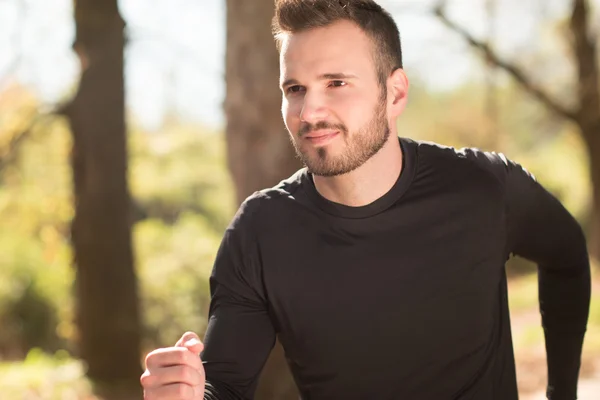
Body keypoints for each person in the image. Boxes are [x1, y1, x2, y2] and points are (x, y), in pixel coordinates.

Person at [140, 1, 591, 399]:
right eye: (294, 88)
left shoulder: (483, 186)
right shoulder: (261, 230)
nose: (309, 112)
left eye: (335, 83)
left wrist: (562, 391)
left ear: (395, 93)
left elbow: (567, 253)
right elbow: (227, 388)